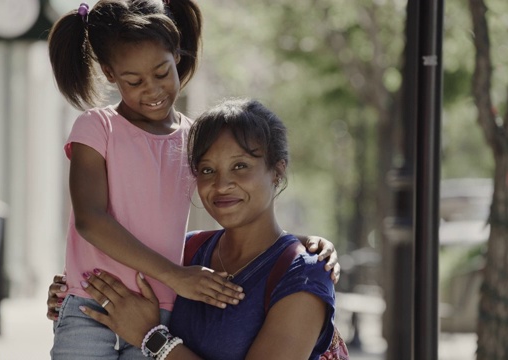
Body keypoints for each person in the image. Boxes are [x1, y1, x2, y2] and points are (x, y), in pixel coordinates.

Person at [47, 1, 340, 359]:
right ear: (110, 74)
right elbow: (91, 221)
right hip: (93, 304)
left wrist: (300, 245)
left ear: (177, 57)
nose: (152, 90)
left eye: (161, 73)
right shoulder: (98, 127)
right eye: (134, 81)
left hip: (159, 310)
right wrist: (72, 291)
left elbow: (248, 228)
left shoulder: (191, 139)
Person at [68, 98, 338, 359]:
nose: (221, 185)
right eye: (207, 170)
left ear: (277, 171)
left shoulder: (303, 276)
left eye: (240, 166)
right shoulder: (187, 251)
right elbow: (119, 279)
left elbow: (144, 330)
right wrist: (75, 295)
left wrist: (152, 338)